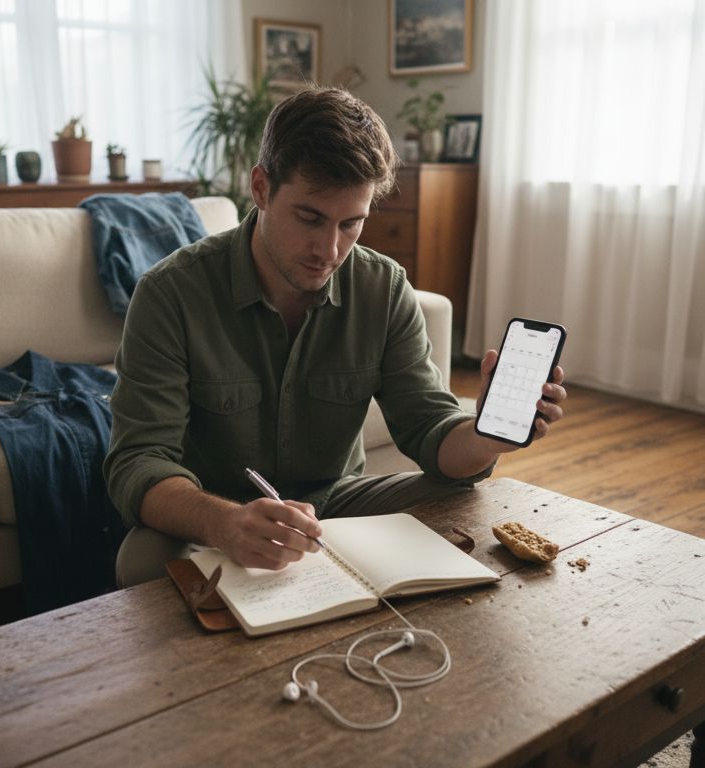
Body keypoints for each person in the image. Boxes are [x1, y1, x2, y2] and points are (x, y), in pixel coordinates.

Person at [103, 87, 566, 585]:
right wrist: (225, 522)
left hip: (338, 503)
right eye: (310, 218)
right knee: (141, 559)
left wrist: (485, 436)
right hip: (218, 511)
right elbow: (139, 460)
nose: (330, 249)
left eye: (352, 224)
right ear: (261, 188)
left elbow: (429, 426)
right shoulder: (171, 293)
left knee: (460, 499)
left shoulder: (383, 288)